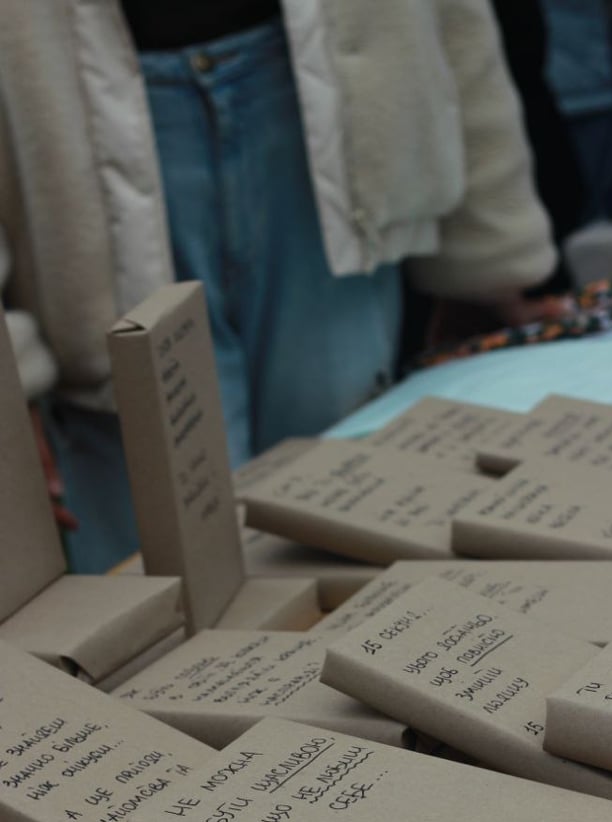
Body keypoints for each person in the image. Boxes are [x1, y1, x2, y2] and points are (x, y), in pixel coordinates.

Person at [0, 1, 558, 572]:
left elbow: (448, 18)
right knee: (166, 579)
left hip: (328, 123)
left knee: (353, 523)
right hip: (64, 159)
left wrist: (490, 255)